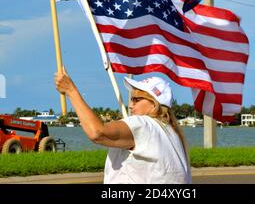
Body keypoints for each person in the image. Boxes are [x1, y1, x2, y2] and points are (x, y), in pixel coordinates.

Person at [55, 68, 191, 184]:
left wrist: (71, 90)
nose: (131, 105)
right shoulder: (172, 134)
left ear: (153, 105)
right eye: (131, 99)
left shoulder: (144, 124)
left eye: (136, 100)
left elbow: (97, 132)